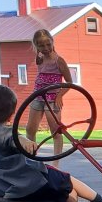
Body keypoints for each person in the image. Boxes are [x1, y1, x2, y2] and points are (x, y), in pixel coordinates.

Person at [28, 29, 71, 162]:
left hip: (52, 100)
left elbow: (69, 83)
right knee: (30, 129)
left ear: (52, 43)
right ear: (36, 46)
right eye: (41, 45)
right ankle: (32, 158)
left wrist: (59, 96)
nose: (46, 48)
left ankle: (56, 162)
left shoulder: (59, 61)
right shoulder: (39, 59)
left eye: (48, 44)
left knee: (55, 131)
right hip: (38, 97)